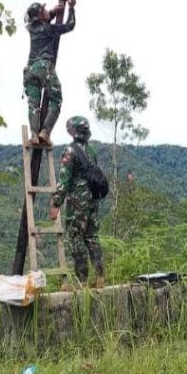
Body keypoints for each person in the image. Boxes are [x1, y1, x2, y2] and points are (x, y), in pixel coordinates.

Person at [50, 115, 105, 288]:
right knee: (92, 237)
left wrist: (56, 204)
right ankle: (100, 277)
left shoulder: (70, 151)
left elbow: (64, 180)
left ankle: (81, 282)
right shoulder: (92, 151)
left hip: (78, 200)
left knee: (75, 237)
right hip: (93, 199)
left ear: (73, 131)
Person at [23, 0, 76, 146]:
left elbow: (43, 18)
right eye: (44, 10)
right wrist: (71, 8)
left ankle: (34, 135)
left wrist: (53, 11)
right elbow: (70, 25)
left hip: (30, 70)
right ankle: (45, 132)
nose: (47, 11)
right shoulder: (48, 29)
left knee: (33, 104)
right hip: (43, 68)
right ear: (40, 15)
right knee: (56, 99)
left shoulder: (31, 28)